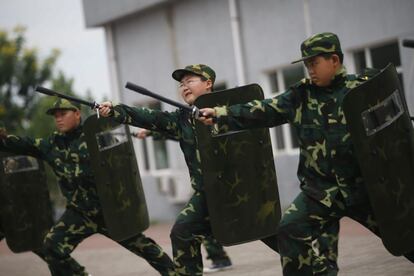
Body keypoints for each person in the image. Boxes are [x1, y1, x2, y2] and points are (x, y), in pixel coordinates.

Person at [198, 32, 414, 275]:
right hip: (319, 190)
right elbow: (264, 110)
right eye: (307, 64)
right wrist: (220, 114)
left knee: (405, 236)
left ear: (334, 60)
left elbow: (393, 132)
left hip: (364, 188)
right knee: (290, 228)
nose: (310, 69)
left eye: (315, 62)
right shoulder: (301, 96)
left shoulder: (361, 90)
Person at [99, 64, 281, 275]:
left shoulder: (230, 111)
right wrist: (115, 110)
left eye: (190, 81)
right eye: (181, 84)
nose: (184, 86)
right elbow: (149, 117)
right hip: (209, 194)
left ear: (208, 83)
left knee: (275, 234)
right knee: (183, 232)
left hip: (244, 190)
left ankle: (319, 269)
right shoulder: (181, 120)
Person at [0, 99, 175, 276]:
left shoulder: (96, 136)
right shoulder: (51, 144)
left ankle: (176, 274)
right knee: (52, 247)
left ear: (77, 114)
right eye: (56, 116)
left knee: (145, 248)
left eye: (63, 114)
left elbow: (121, 162)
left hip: (109, 211)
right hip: (79, 213)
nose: (58, 119)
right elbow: (21, 144)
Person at [133, 128, 233, 273]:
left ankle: (219, 258)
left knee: (200, 223)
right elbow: (176, 131)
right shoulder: (189, 125)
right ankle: (219, 258)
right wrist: (150, 133)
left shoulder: (208, 122)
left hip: (218, 181)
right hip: (206, 182)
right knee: (204, 222)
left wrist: (150, 133)